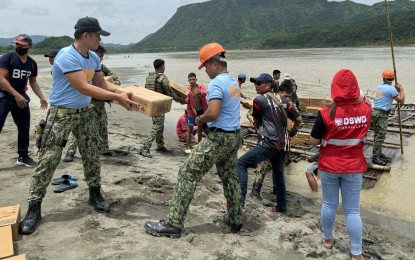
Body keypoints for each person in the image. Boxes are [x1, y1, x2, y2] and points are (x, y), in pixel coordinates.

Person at [19, 16, 136, 235]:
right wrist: (117, 98)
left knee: (92, 155)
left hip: (85, 114)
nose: (100, 39)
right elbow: (84, 88)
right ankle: (34, 208)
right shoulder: (67, 56)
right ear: (86, 36)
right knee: (49, 160)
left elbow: (100, 83)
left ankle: (95, 194)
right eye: (98, 35)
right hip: (61, 115)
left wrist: (123, 91)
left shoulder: (92, 57)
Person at [144, 42, 243, 238]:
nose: (205, 71)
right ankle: (235, 218)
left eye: (205, 66)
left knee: (187, 173)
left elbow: (213, 113)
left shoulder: (216, 83)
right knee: (229, 177)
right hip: (234, 136)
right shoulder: (232, 81)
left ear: (214, 63)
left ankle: (173, 223)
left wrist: (200, 118)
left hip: (219, 138)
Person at [310, 69, 371, 260]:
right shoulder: (366, 111)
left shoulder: (326, 113)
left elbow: (313, 140)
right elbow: (365, 106)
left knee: (329, 204)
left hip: (329, 166)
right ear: (355, 88)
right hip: (354, 166)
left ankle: (328, 240)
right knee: (352, 210)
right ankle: (356, 253)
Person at [236, 73, 301, 211]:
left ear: (268, 85)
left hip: (269, 143)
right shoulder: (285, 101)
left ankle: (239, 203)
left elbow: (257, 121)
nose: (256, 86)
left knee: (241, 163)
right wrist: (291, 131)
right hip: (283, 145)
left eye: (259, 83)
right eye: (255, 83)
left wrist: (255, 123)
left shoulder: (259, 100)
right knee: (279, 176)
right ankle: (281, 208)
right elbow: (299, 119)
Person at [63, 44, 120, 162]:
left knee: (102, 122)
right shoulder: (81, 66)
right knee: (78, 126)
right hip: (85, 101)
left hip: (99, 101)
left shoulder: (102, 68)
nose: (101, 58)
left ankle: (103, 148)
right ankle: (70, 152)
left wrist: (112, 84)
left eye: (102, 57)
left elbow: (116, 80)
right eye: (100, 56)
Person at [0, 34, 48, 167]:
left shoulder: (32, 63)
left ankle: (23, 156)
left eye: (22, 45)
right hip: (4, 95)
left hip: (20, 97)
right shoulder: (7, 58)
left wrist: (42, 98)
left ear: (30, 46)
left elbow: (33, 82)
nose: (19, 47)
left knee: (24, 127)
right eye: (17, 44)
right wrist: (16, 94)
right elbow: (2, 79)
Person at [249, 83, 302, 202]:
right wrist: (256, 121)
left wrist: (292, 130)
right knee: (265, 165)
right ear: (280, 92)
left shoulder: (289, 104)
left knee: (279, 166)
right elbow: (251, 114)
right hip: (268, 138)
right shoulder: (268, 101)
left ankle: (276, 189)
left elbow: (298, 119)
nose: (287, 99)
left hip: (282, 140)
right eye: (286, 96)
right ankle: (255, 191)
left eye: (289, 97)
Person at [139, 59, 184, 158]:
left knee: (159, 124)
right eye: (164, 66)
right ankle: (145, 147)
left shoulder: (150, 77)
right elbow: (169, 91)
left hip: (151, 103)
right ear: (162, 66)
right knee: (157, 125)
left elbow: (146, 90)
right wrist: (180, 100)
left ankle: (160, 145)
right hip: (159, 104)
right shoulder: (162, 77)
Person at [371, 69, 404, 166]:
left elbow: (382, 98)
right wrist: (401, 89)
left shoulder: (379, 87)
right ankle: (375, 157)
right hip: (382, 114)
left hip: (375, 112)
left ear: (383, 78)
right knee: (381, 136)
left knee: (377, 134)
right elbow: (401, 100)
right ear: (393, 79)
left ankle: (378, 153)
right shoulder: (391, 89)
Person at [185, 72, 207, 151]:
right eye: (190, 80)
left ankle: (199, 145)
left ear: (196, 79)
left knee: (200, 128)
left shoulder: (200, 87)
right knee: (190, 128)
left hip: (201, 110)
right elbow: (185, 100)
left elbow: (206, 93)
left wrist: (200, 93)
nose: (191, 81)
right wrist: (189, 97)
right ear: (188, 80)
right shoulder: (187, 90)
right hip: (191, 111)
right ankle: (187, 146)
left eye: (193, 79)